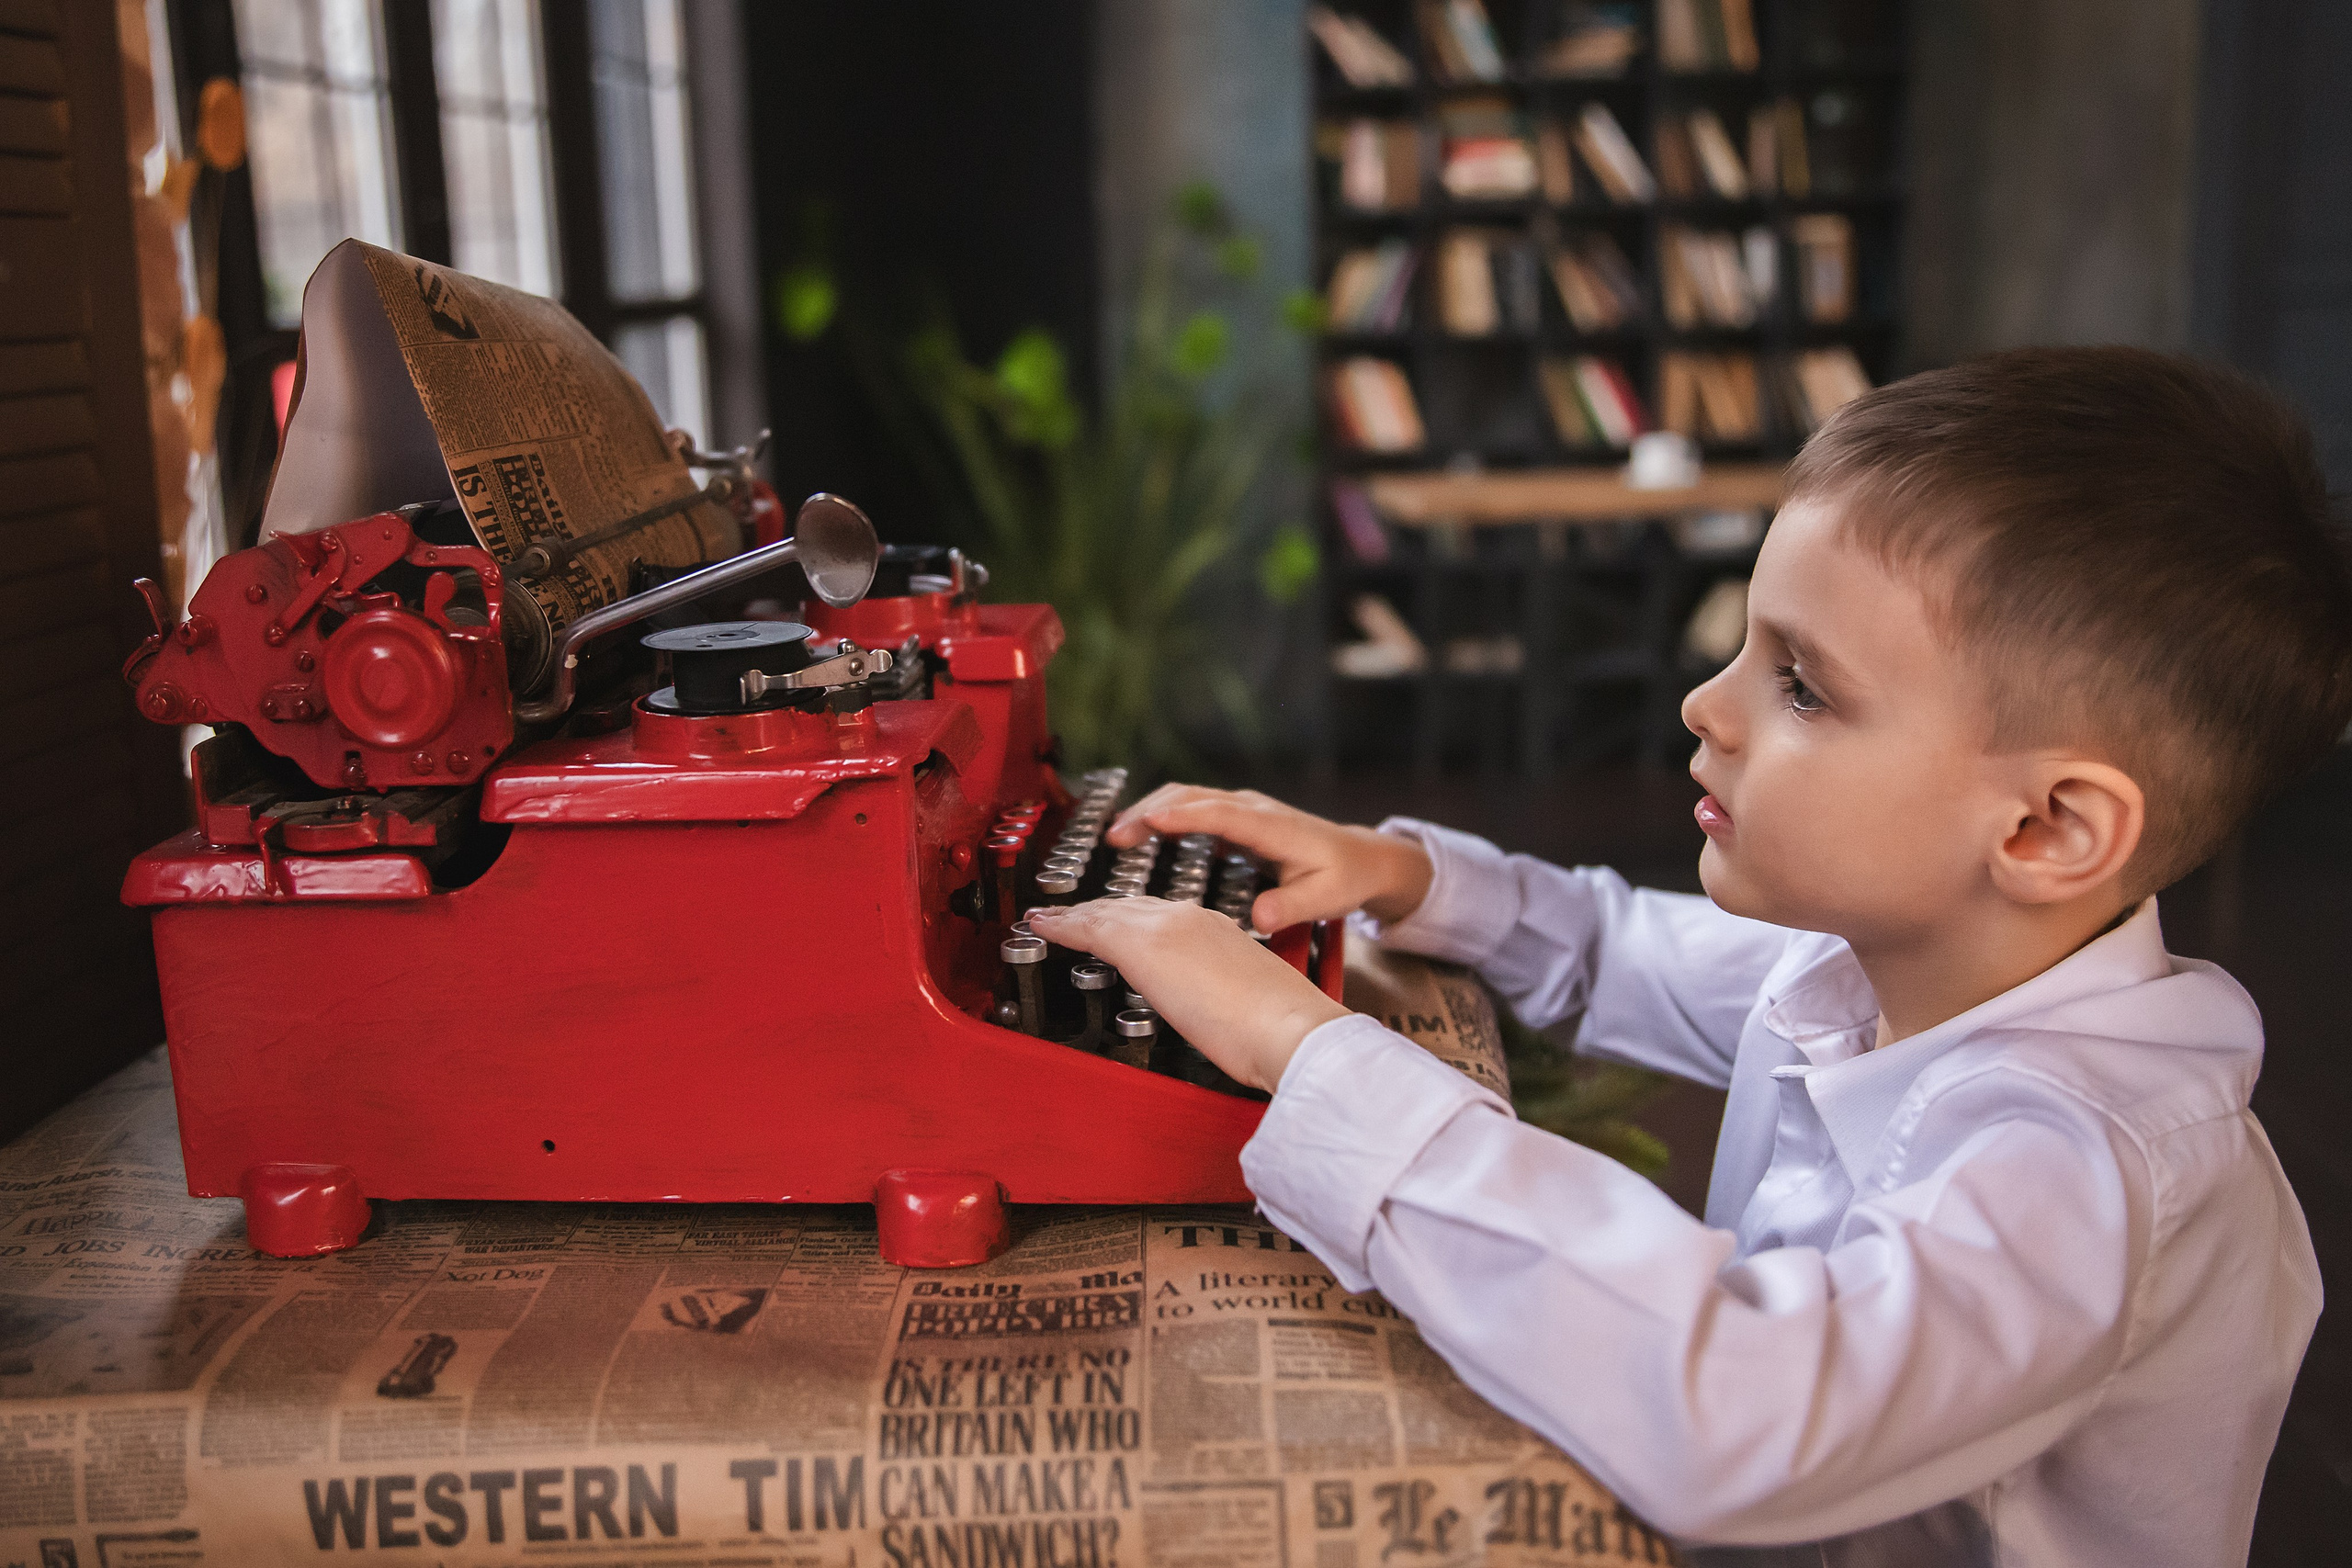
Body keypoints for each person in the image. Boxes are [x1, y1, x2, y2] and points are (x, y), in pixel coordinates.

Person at [1029, 347, 2350, 1566]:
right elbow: (1617, 948)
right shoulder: (1881, 965)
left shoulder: (2085, 1171)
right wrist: (1406, 874)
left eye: (1803, 686)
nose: (1702, 705)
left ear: (2050, 827)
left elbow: (1739, 1416)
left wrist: (1304, 1047)